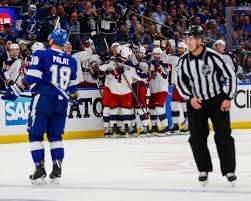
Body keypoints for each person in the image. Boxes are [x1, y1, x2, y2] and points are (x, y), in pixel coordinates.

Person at [1, 28, 79, 184]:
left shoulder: (41, 54)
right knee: (55, 136)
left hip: (43, 99)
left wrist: (15, 90)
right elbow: (73, 89)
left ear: (51, 40)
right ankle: (57, 168)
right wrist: (74, 99)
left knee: (35, 135)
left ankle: (39, 169)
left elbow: (31, 77)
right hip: (62, 103)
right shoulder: (72, 61)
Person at [176, 25, 237, 186]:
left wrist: (228, 97)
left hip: (217, 100)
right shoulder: (183, 60)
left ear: (200, 40)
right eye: (187, 39)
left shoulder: (213, 56)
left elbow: (230, 76)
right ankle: (204, 169)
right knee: (196, 137)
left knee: (223, 135)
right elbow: (179, 82)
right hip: (196, 102)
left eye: (191, 39)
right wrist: (190, 98)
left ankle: (229, 170)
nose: (188, 42)